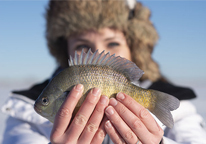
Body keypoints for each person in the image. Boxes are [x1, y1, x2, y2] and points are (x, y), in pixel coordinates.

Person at [2, 0, 206, 144]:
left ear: (134, 47)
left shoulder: (182, 111)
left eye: (113, 42)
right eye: (83, 45)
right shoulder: (24, 110)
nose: (99, 52)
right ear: (65, 49)